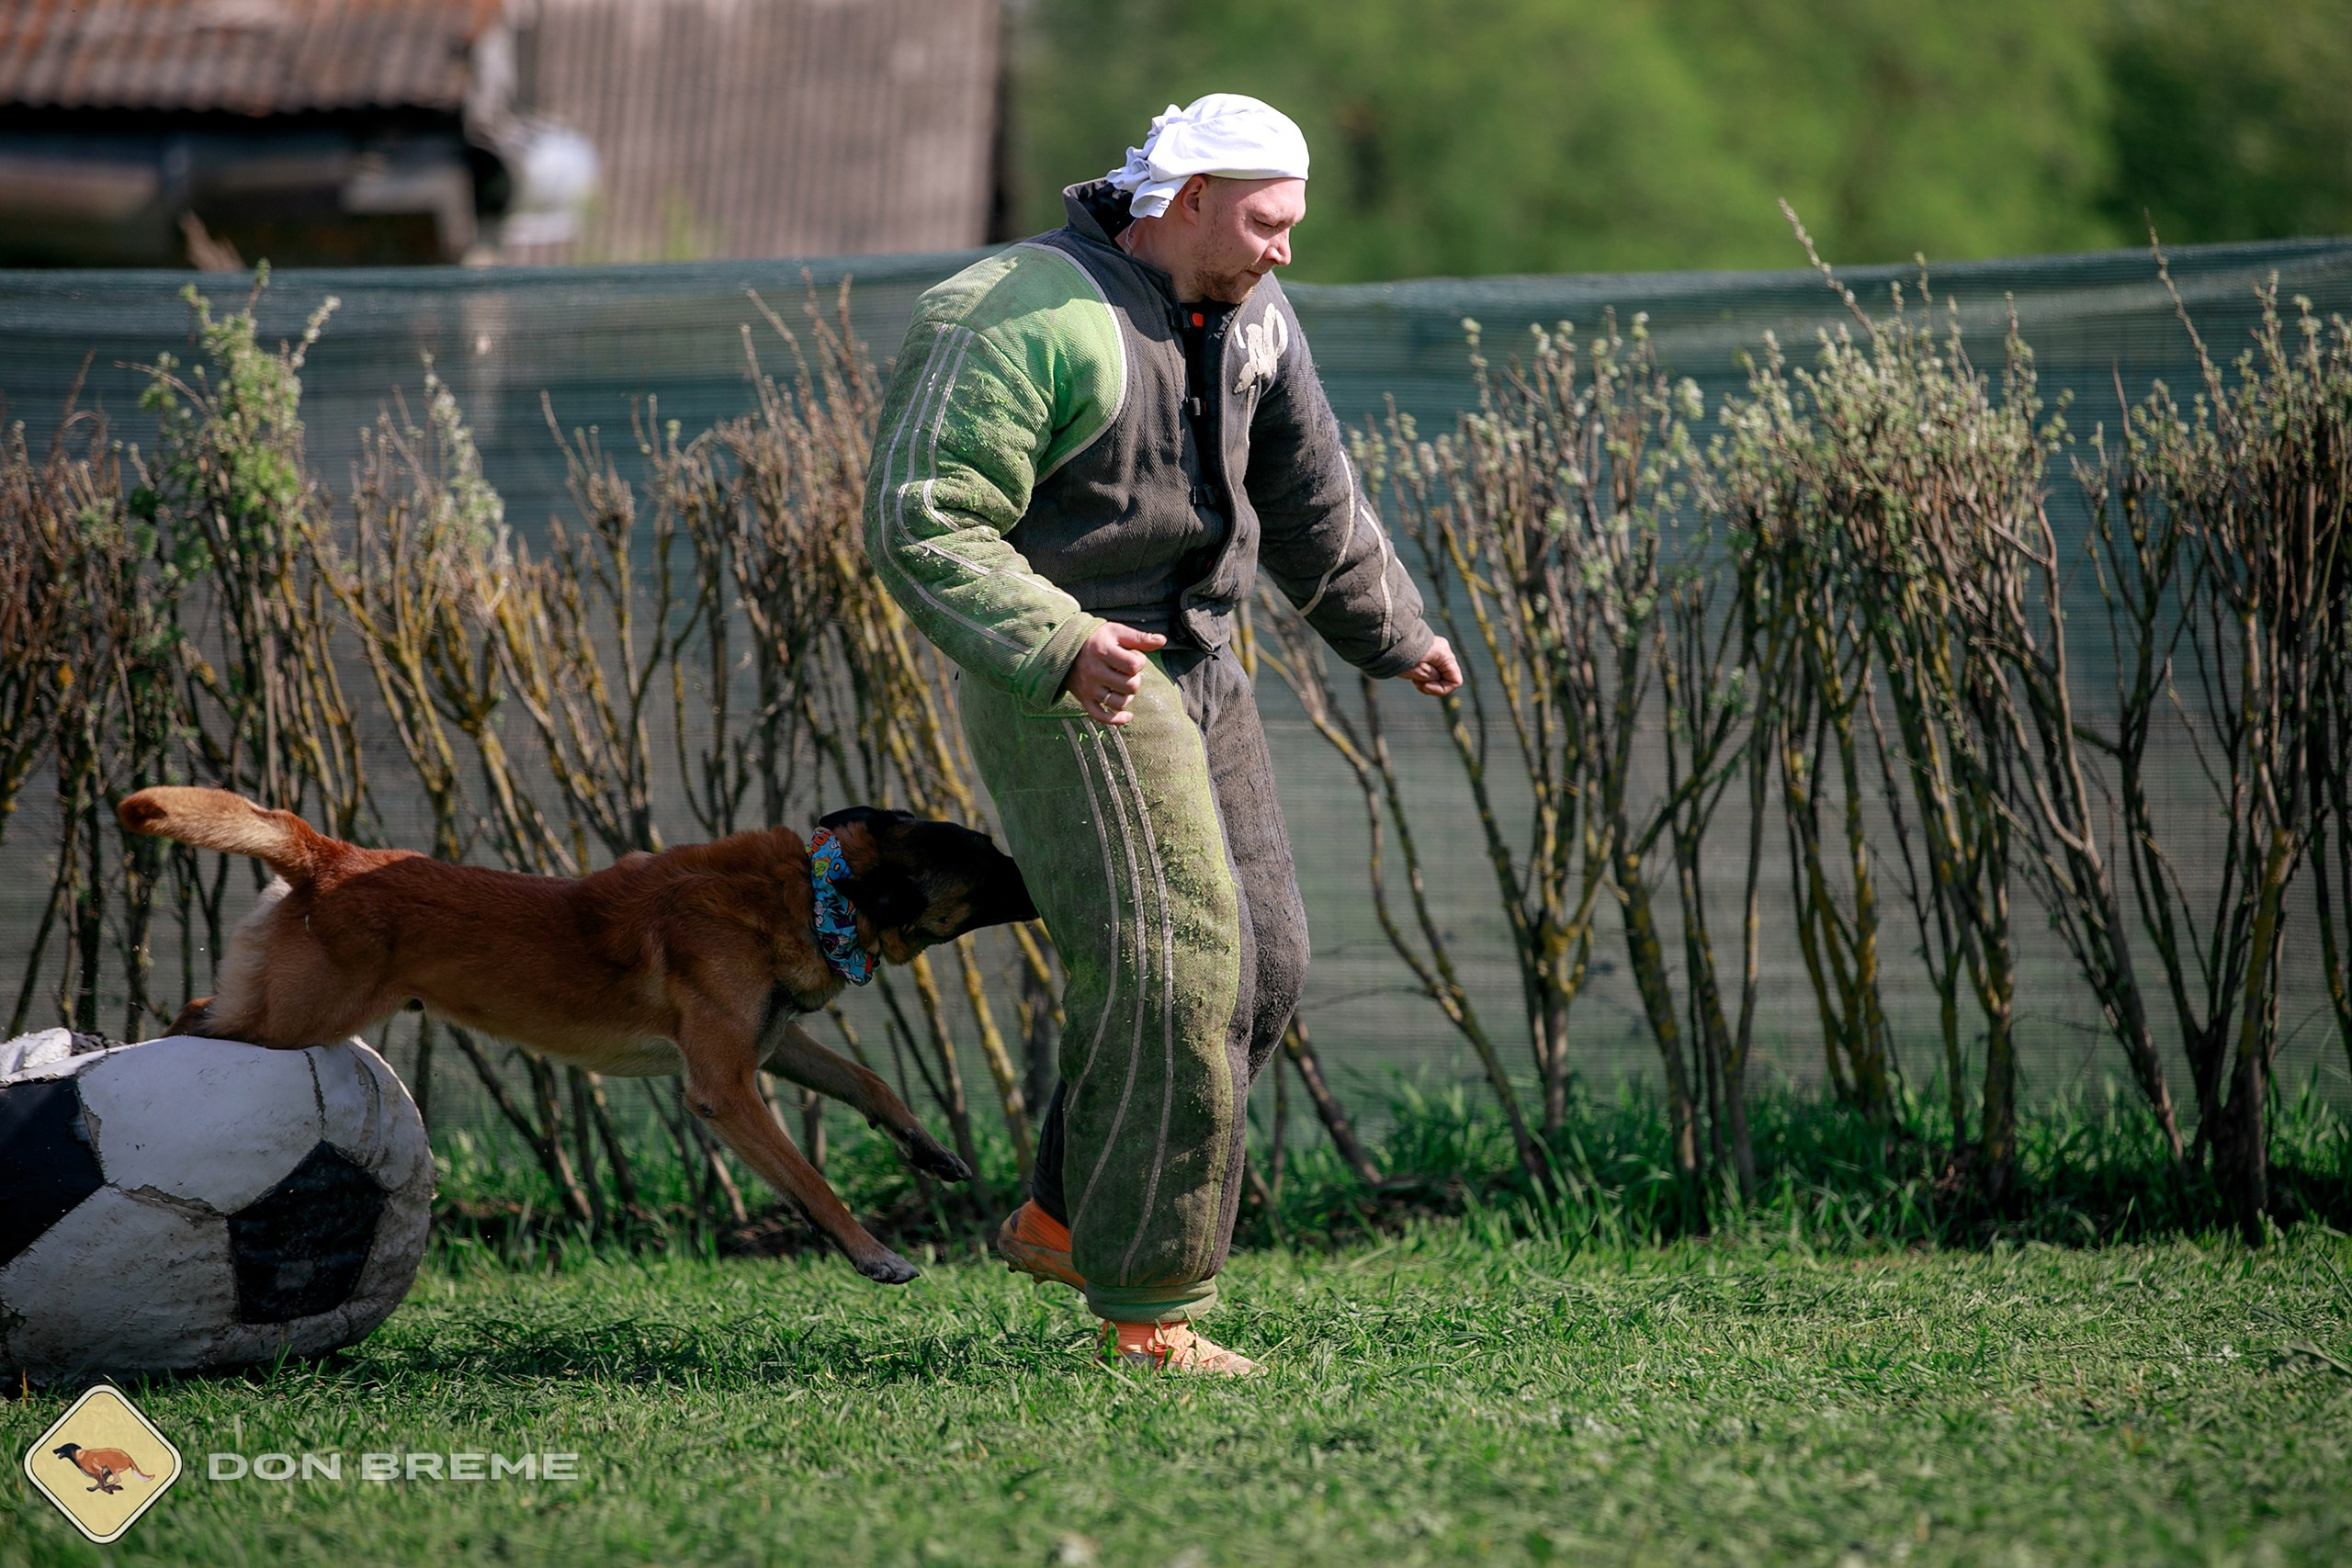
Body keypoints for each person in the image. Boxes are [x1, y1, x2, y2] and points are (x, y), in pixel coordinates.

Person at [861, 93, 1462, 1374]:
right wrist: (1058, 642)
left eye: (1292, 227)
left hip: (1206, 668)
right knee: (1183, 970)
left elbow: (1313, 499)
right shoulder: (1019, 313)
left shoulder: (1258, 318)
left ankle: (1068, 1213)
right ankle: (1148, 1310)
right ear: (1183, 201)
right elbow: (925, 520)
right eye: (1265, 223)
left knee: (1270, 965)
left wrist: (1395, 630)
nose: (1284, 250)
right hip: (1075, 672)